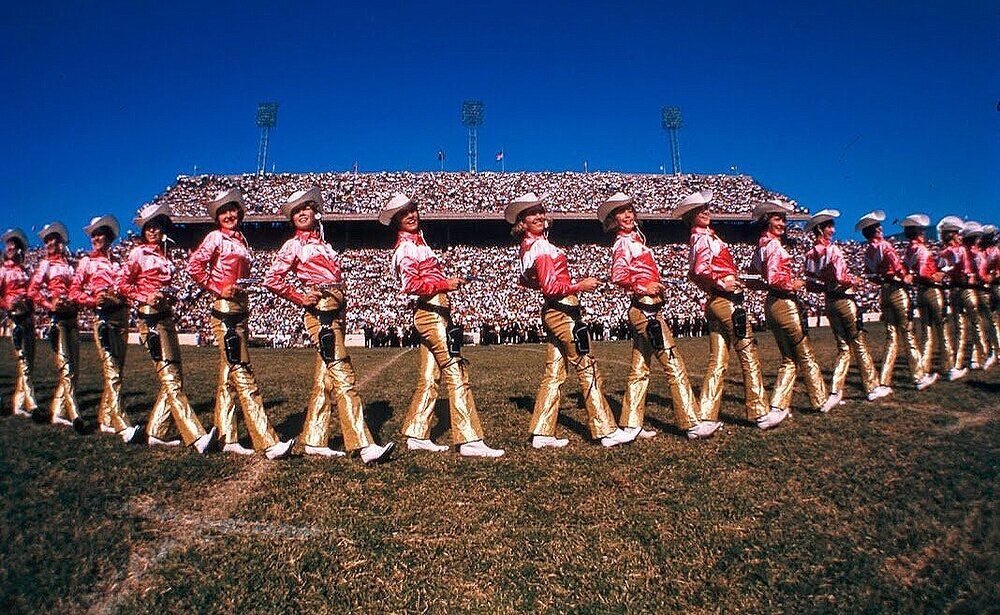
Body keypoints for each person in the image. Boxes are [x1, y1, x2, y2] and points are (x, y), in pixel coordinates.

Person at [264, 187, 394, 463]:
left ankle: (314, 438)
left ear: (315, 211)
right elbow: (273, 279)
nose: (301, 214)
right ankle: (362, 444)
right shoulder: (293, 245)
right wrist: (300, 297)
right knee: (343, 374)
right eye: (296, 211)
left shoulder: (324, 245)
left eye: (305, 208)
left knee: (325, 379)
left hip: (337, 311)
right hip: (320, 313)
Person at [380, 192, 504, 457]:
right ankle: (469, 438)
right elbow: (410, 286)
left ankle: (417, 433)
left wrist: (446, 282)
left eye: (412, 210)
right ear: (396, 222)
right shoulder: (407, 248)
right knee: (455, 369)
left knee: (430, 375)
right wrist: (445, 284)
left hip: (433, 311)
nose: (411, 216)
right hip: (431, 312)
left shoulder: (419, 244)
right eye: (404, 214)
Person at [506, 192, 632, 448]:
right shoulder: (540, 246)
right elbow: (551, 287)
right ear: (522, 221)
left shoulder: (529, 246)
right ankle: (605, 429)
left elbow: (529, 281)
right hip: (563, 311)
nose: (539, 216)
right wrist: (579, 286)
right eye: (532, 213)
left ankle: (542, 433)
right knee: (587, 365)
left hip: (554, 311)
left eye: (541, 211)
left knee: (554, 372)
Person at [597, 192, 717, 440]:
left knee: (640, 368)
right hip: (645, 310)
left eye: (630, 209)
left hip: (647, 308)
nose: (628, 215)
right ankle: (691, 423)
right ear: (613, 219)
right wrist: (644, 287)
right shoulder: (623, 243)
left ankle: (631, 425)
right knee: (674, 364)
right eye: (621, 212)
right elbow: (618, 275)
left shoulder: (635, 240)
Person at [187, 189, 294, 459]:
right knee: (243, 372)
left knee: (228, 376)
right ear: (217, 216)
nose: (230, 215)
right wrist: (217, 288)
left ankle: (226, 436)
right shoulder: (215, 237)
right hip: (225, 311)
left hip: (240, 309)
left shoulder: (241, 240)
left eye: (233, 210)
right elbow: (194, 267)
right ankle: (267, 441)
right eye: (224, 211)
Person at [676, 190, 786, 430]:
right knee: (748, 352)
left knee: (718, 360)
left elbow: (696, 272)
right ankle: (759, 411)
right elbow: (700, 270)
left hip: (715, 302)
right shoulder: (704, 238)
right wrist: (722, 281)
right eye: (699, 210)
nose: (705, 212)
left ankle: (706, 416)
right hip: (726, 301)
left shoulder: (700, 237)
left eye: (706, 207)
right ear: (691, 216)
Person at [119, 203, 216, 453]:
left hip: (166, 316)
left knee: (174, 376)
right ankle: (196, 436)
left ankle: (157, 432)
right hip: (149, 318)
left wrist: (168, 295)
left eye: (157, 226)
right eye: (149, 227)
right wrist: (145, 296)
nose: (153, 231)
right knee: (170, 377)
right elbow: (123, 285)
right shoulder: (137, 254)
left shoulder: (165, 256)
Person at [751, 200, 837, 414]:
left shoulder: (761, 245)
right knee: (804, 353)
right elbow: (773, 278)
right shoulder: (773, 245)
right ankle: (819, 399)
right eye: (777, 219)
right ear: (767, 221)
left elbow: (756, 274)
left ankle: (778, 405)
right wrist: (794, 284)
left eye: (784, 219)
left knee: (789, 358)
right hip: (784, 301)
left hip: (771, 303)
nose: (783, 224)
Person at [803, 210, 889, 402]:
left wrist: (827, 286)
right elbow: (842, 277)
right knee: (859, 344)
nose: (833, 230)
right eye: (830, 226)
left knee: (843, 347)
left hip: (829, 301)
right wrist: (854, 281)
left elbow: (810, 284)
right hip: (844, 299)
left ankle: (835, 390)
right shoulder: (833, 250)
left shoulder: (809, 254)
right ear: (820, 229)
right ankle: (872, 387)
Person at [70, 215, 141, 443]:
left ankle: (105, 419)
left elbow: (127, 290)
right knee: (111, 371)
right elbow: (74, 292)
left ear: (109, 237)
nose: (97, 238)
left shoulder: (118, 262)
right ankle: (121, 423)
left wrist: (119, 298)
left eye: (101, 234)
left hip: (121, 316)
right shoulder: (86, 262)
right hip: (103, 318)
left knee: (117, 371)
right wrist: (95, 300)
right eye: (94, 235)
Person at [858, 210, 938, 390]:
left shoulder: (868, 251)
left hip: (884, 292)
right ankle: (918, 376)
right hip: (897, 291)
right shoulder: (885, 246)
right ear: (876, 230)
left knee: (891, 337)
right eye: (878, 226)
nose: (881, 228)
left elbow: (871, 275)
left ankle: (884, 380)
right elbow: (897, 267)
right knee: (908, 334)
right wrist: (906, 276)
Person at [28, 222, 87, 431]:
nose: (51, 243)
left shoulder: (71, 265)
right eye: (47, 240)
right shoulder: (45, 265)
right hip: (57, 320)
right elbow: (33, 291)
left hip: (72, 317)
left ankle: (57, 411)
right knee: (66, 367)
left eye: (55, 239)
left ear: (62, 242)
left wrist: (75, 300)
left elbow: (78, 289)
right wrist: (48, 303)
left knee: (75, 368)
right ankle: (75, 414)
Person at [901, 214, 965, 381]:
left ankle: (924, 367)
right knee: (942, 329)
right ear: (919, 232)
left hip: (920, 293)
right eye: (922, 230)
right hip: (932, 291)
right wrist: (941, 273)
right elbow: (926, 274)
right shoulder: (922, 250)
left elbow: (908, 270)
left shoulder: (909, 250)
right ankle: (950, 367)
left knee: (927, 332)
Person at [936, 216, 989, 372]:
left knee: (961, 328)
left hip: (956, 291)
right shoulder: (964, 251)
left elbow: (943, 269)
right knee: (975, 324)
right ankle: (979, 357)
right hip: (966, 290)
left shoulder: (946, 252)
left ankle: (960, 363)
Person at [1, 228, 38, 417]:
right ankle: (31, 403)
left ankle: (19, 402)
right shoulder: (2, 271)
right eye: (8, 246)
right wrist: (8, 303)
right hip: (15, 318)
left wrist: (30, 301)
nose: (10, 249)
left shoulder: (26, 271)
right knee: (23, 359)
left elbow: (32, 292)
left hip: (28, 317)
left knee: (28, 361)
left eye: (14, 246)